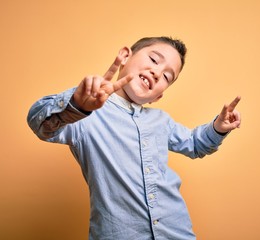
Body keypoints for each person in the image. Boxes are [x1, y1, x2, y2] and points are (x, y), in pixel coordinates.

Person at [27, 36, 241, 240]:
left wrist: (218, 128)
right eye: (154, 60)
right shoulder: (87, 113)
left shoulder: (161, 121)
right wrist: (76, 106)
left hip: (176, 231)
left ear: (157, 96)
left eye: (167, 77)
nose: (157, 73)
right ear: (125, 56)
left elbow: (195, 145)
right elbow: (40, 123)